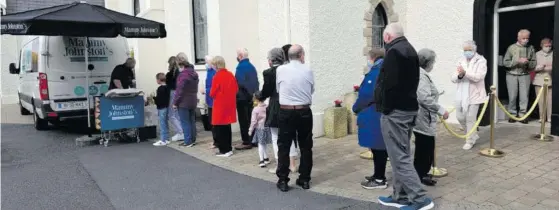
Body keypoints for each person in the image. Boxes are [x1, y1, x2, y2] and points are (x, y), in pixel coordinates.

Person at [373, 23, 434, 210]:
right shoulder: (410, 50)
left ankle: (420, 199)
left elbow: (389, 84)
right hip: (408, 110)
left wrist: (386, 108)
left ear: (388, 37)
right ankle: (400, 196)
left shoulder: (394, 52)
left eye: (384, 37)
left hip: (395, 113)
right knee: (402, 153)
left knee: (400, 157)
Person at [275, 44, 314, 192]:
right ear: (301, 55)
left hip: (286, 110)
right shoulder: (308, 70)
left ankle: (283, 180)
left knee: (284, 146)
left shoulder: (280, 70)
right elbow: (312, 89)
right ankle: (304, 179)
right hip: (303, 110)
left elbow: (279, 89)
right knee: (306, 146)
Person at [353, 48, 389, 190]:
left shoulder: (375, 72)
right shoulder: (385, 69)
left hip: (374, 114)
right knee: (377, 148)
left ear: (372, 58)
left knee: (378, 147)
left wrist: (355, 108)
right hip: (380, 113)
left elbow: (366, 95)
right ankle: (377, 174)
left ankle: (380, 179)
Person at [259, 48, 299, 174]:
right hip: (290, 104)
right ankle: (292, 164)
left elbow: (266, 92)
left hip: (276, 106)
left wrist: (257, 96)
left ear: (271, 60)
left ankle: (280, 165)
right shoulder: (290, 70)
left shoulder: (269, 73)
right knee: (290, 135)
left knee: (276, 136)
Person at [414, 49, 449, 186]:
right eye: (433, 62)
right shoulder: (422, 76)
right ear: (427, 62)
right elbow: (423, 98)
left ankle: (422, 172)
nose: (433, 64)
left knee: (426, 146)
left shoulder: (421, 74)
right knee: (425, 147)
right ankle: (420, 175)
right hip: (423, 117)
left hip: (424, 116)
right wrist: (440, 110)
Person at [451, 40, 488, 150]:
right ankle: (472, 134)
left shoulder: (481, 61)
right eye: (465, 50)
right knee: (459, 117)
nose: (467, 52)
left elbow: (478, 77)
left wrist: (465, 73)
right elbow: (453, 78)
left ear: (474, 50)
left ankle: (470, 140)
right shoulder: (460, 60)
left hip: (474, 94)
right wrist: (460, 76)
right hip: (461, 93)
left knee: (470, 118)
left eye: (469, 50)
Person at [503, 29, 537, 124]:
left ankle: (523, 115)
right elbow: (505, 62)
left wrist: (528, 63)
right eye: (523, 38)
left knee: (524, 96)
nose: (525, 40)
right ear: (518, 38)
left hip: (525, 75)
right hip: (511, 75)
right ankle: (512, 115)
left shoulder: (531, 48)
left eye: (527, 38)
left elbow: (534, 63)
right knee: (512, 95)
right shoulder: (511, 48)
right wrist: (517, 61)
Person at [210, 56, 239, 157]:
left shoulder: (217, 76)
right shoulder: (230, 74)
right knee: (227, 127)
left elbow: (212, 93)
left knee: (219, 129)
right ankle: (229, 148)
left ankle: (224, 150)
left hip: (220, 105)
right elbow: (236, 89)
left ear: (216, 65)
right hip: (229, 104)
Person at [234, 48, 260, 150]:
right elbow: (255, 82)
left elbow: (241, 83)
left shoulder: (240, 67)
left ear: (240, 56)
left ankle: (246, 141)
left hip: (243, 98)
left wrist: (248, 95)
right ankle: (253, 139)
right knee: (252, 119)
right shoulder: (252, 67)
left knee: (244, 120)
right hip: (252, 97)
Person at [172, 53, 199, 147]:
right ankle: (193, 139)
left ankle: (188, 141)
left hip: (184, 101)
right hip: (193, 100)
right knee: (192, 121)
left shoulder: (183, 75)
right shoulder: (194, 73)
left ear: (181, 65)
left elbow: (179, 90)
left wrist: (175, 103)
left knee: (185, 122)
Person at [249, 91, 272, 167]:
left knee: (260, 144)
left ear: (256, 99)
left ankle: (261, 160)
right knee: (264, 143)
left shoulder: (256, 109)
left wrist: (250, 130)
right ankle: (266, 158)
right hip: (267, 127)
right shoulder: (267, 107)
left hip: (260, 128)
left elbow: (253, 121)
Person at [201, 55, 219, 148]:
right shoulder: (209, 72)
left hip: (214, 101)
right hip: (209, 100)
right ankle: (215, 141)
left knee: (214, 122)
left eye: (206, 62)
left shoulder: (214, 73)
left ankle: (216, 141)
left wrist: (206, 91)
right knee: (212, 121)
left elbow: (214, 87)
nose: (205, 64)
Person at [165, 56, 184, 142]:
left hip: (173, 93)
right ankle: (181, 131)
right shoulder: (180, 72)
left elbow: (168, 85)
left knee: (171, 115)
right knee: (178, 114)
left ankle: (180, 132)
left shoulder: (169, 74)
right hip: (180, 92)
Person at [534, 38, 553, 123]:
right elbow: (532, 68)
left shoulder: (554, 54)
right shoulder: (536, 54)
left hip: (551, 79)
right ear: (541, 46)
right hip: (539, 80)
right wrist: (538, 68)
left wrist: (551, 68)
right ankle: (541, 117)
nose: (548, 47)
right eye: (546, 46)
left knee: (550, 101)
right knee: (540, 101)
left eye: (549, 46)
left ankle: (550, 118)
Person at [153, 73, 171, 146]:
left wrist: (154, 98)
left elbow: (159, 100)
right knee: (166, 123)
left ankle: (163, 140)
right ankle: (166, 139)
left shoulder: (160, 89)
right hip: (167, 107)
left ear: (159, 80)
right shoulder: (168, 87)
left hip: (161, 107)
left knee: (162, 124)